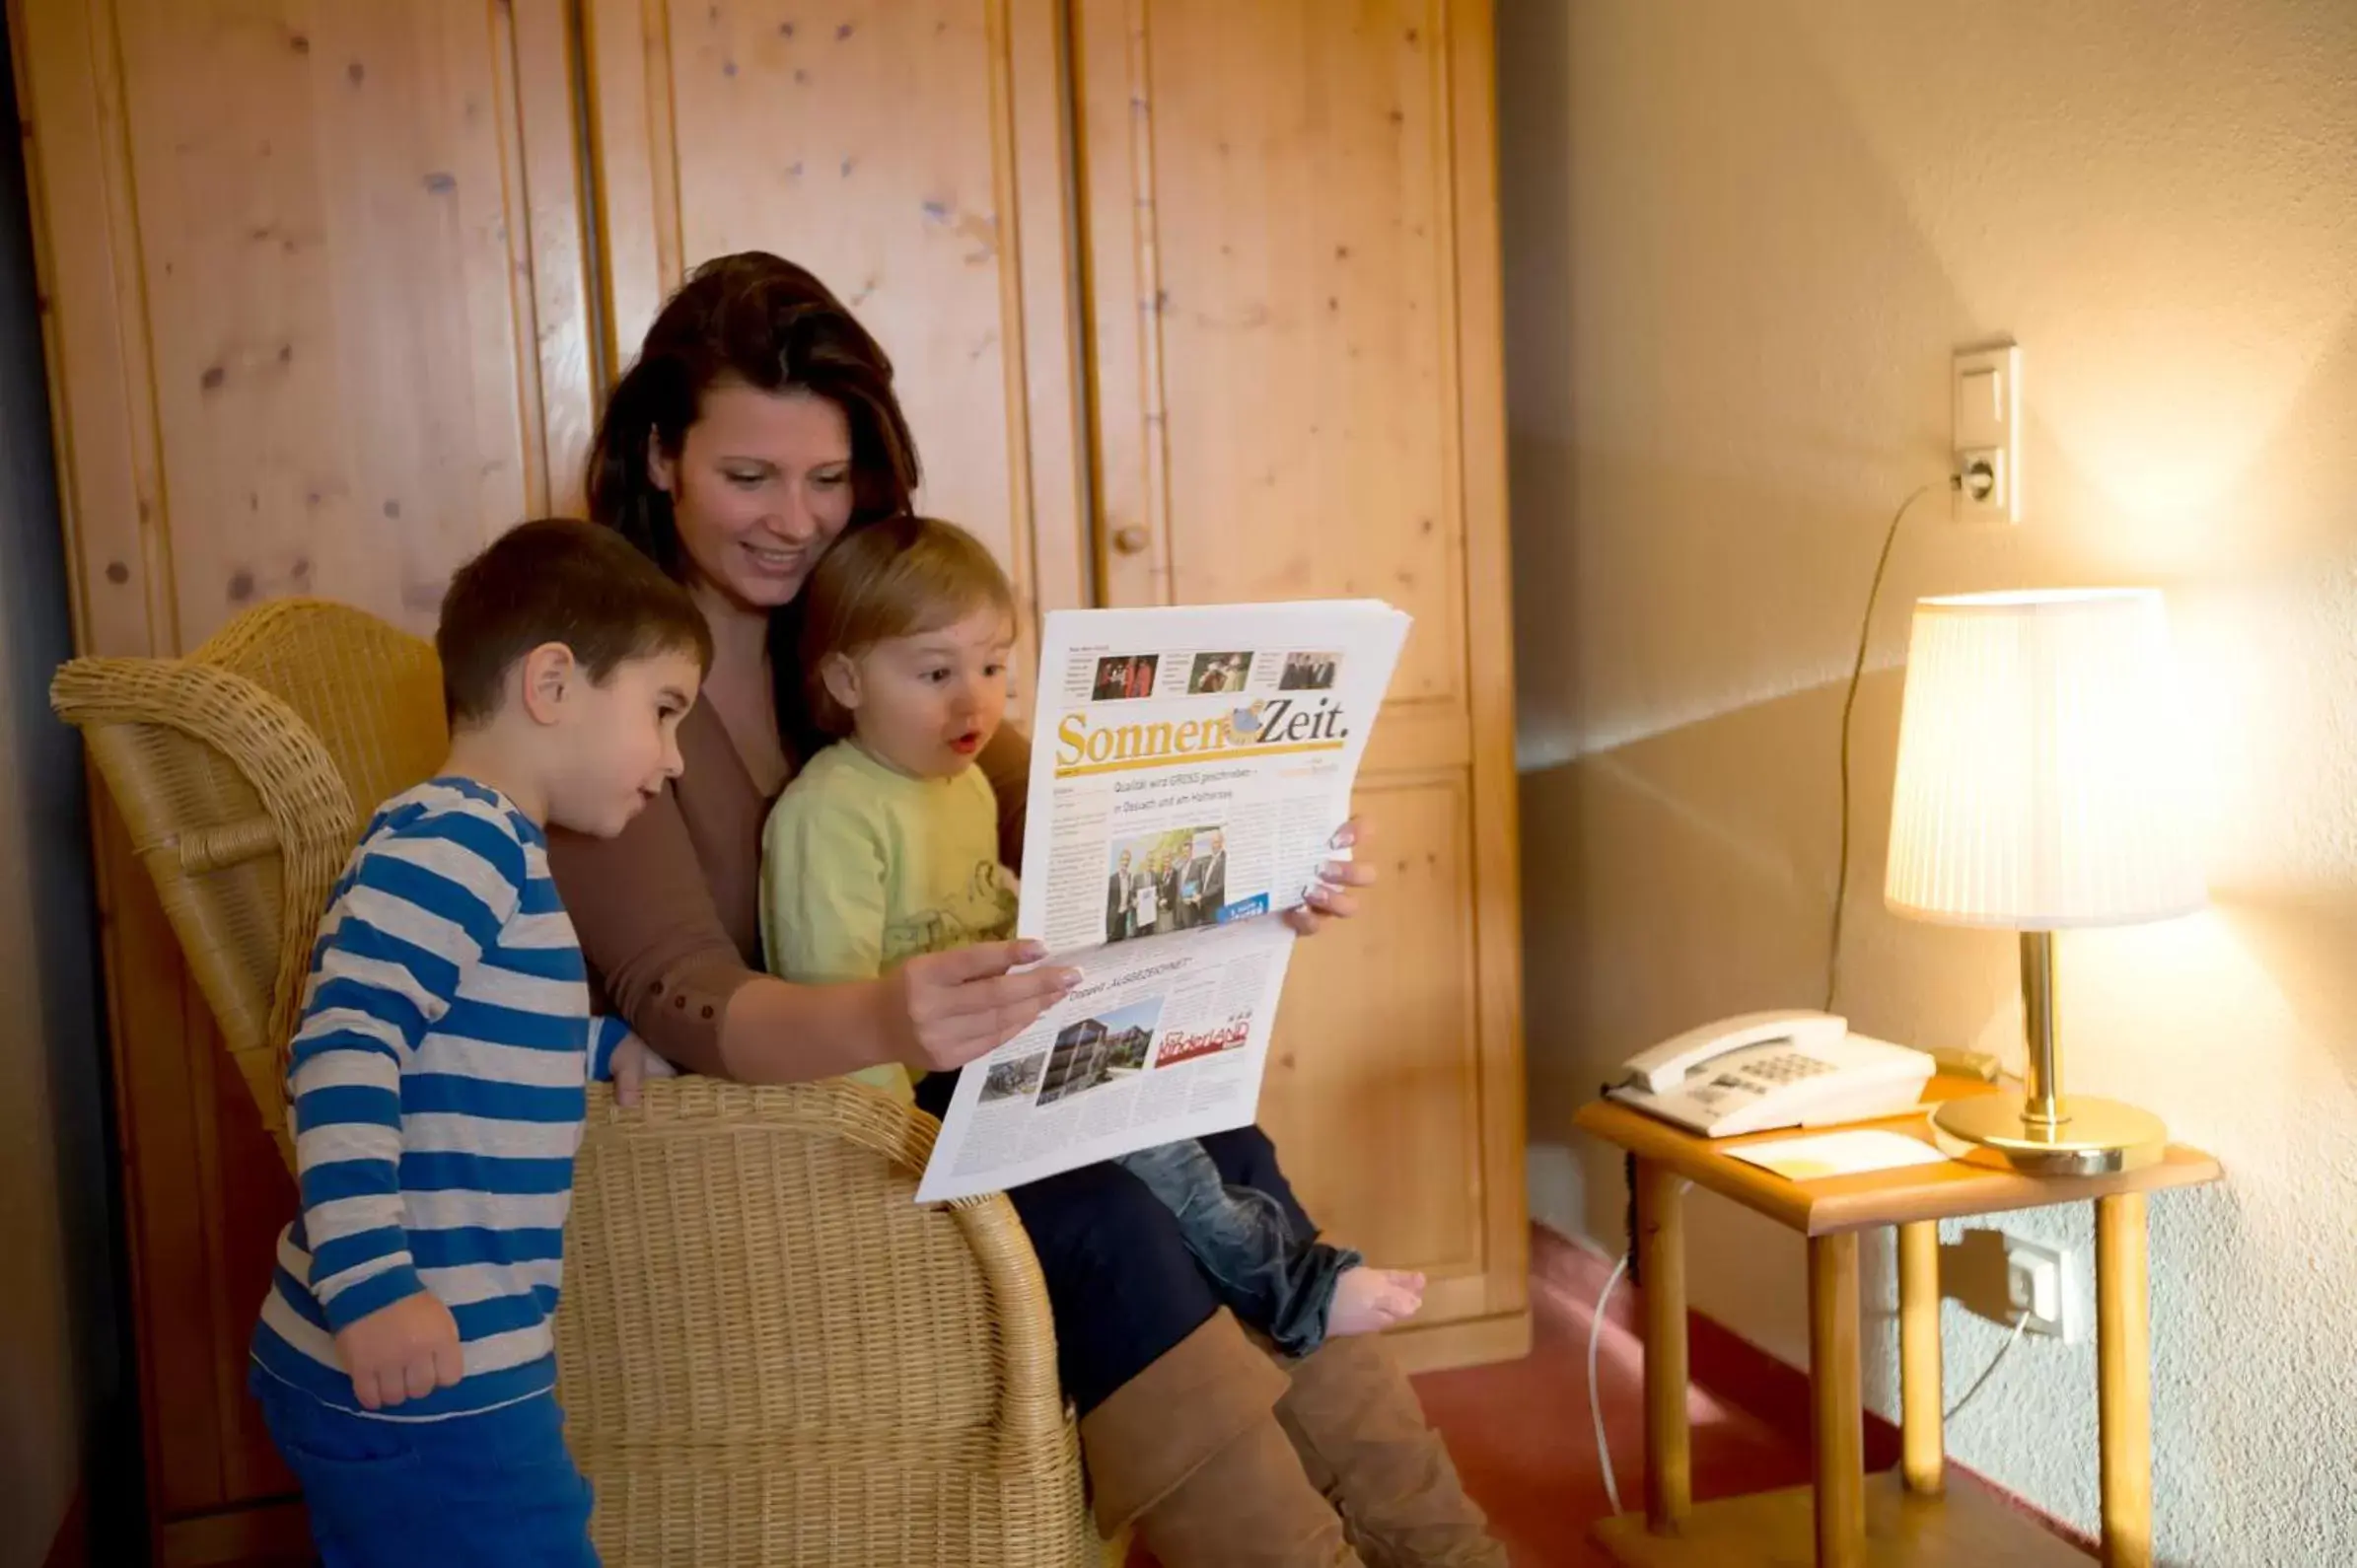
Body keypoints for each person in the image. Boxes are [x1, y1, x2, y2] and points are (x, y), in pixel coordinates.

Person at [545, 251, 1502, 1568]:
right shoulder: (607, 665)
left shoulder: (866, 627)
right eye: (746, 476)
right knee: (1107, 1212)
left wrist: (1262, 863)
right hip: (783, 1144)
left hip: (940, 1076)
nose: (793, 520)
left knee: (1198, 1111)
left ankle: (1452, 1553)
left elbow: (1054, 816)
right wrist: (888, 1009)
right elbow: (677, 989)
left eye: (827, 480)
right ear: (659, 457)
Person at [764, 512, 1426, 1357]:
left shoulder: (961, 785)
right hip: (932, 1098)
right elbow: (837, 1015)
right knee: (1154, 1150)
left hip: (1011, 1046)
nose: (975, 700)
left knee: (1208, 1114)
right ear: (847, 682)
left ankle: (1294, 1315)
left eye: (994, 666)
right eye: (935, 672)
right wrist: (906, 1167)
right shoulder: (830, 814)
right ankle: (1299, 1293)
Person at [247, 519, 714, 1568]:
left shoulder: (491, 849)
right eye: (663, 712)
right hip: (419, 1366)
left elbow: (466, 1029)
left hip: (450, 1362)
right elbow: (345, 1046)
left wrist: (605, 1047)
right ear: (552, 684)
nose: (673, 760)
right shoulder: (454, 838)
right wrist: (371, 1286)